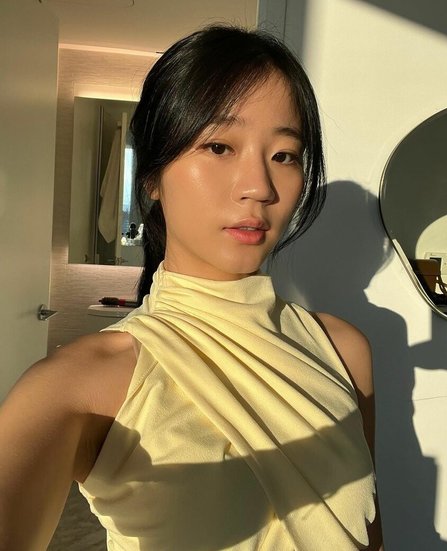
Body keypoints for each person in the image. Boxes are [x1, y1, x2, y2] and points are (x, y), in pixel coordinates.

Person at [0, 25, 384, 551]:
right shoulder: (79, 383)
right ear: (152, 177)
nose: (259, 187)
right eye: (220, 146)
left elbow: (370, 533)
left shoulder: (343, 350)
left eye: (284, 155)